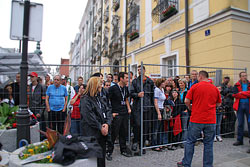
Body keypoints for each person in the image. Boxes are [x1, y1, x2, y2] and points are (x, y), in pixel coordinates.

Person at [177, 71, 221, 167]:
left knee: (190, 141)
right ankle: (208, 165)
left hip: (196, 119)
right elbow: (218, 103)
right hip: (211, 119)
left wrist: (190, 107)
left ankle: (186, 163)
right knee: (208, 143)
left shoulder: (195, 87)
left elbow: (186, 101)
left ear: (200, 77)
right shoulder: (214, 88)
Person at [80, 77, 111, 167]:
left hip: (102, 131)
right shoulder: (85, 99)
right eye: (100, 85)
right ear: (94, 86)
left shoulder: (100, 98)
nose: (101, 87)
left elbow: (108, 109)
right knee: (93, 159)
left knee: (101, 156)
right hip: (92, 133)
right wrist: (100, 127)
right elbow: (89, 117)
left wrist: (107, 124)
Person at [107, 72, 132, 160]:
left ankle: (123, 149)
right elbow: (107, 100)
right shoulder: (113, 88)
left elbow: (126, 99)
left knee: (123, 132)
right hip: (116, 114)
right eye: (126, 77)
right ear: (121, 79)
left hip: (124, 113)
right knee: (114, 133)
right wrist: (110, 113)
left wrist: (129, 108)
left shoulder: (125, 88)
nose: (127, 79)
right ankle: (109, 151)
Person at [130, 65, 154, 154]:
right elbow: (131, 93)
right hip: (137, 107)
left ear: (144, 70)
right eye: (138, 70)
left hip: (147, 107)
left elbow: (152, 94)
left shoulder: (149, 81)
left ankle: (142, 145)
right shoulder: (135, 81)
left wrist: (151, 105)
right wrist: (137, 95)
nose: (139, 71)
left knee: (146, 126)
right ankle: (135, 141)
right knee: (137, 125)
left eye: (141, 69)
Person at [232, 72, 250, 148]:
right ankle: (240, 140)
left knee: (249, 124)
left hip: (248, 105)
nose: (244, 77)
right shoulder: (236, 85)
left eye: (245, 76)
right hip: (239, 106)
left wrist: (242, 93)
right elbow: (234, 94)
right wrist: (246, 94)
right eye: (243, 76)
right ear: (240, 77)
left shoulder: (249, 84)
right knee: (240, 123)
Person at [28, 72, 46, 140]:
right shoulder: (29, 86)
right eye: (30, 77)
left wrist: (40, 112)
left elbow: (43, 101)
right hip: (31, 109)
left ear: (36, 77)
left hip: (38, 110)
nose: (31, 78)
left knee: (40, 127)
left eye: (32, 77)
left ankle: (40, 139)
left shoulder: (41, 87)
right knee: (32, 126)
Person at [152, 78, 167, 151]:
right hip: (157, 110)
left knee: (160, 128)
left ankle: (159, 143)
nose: (165, 83)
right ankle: (154, 144)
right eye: (163, 82)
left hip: (162, 109)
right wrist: (158, 113)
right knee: (156, 128)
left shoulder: (162, 90)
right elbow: (155, 102)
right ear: (160, 83)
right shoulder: (157, 90)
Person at [178, 79, 189, 146]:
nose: (180, 85)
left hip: (185, 111)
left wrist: (187, 109)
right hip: (179, 111)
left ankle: (184, 142)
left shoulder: (187, 91)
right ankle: (180, 141)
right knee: (180, 127)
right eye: (179, 83)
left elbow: (189, 101)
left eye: (182, 83)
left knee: (184, 127)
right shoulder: (179, 91)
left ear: (185, 84)